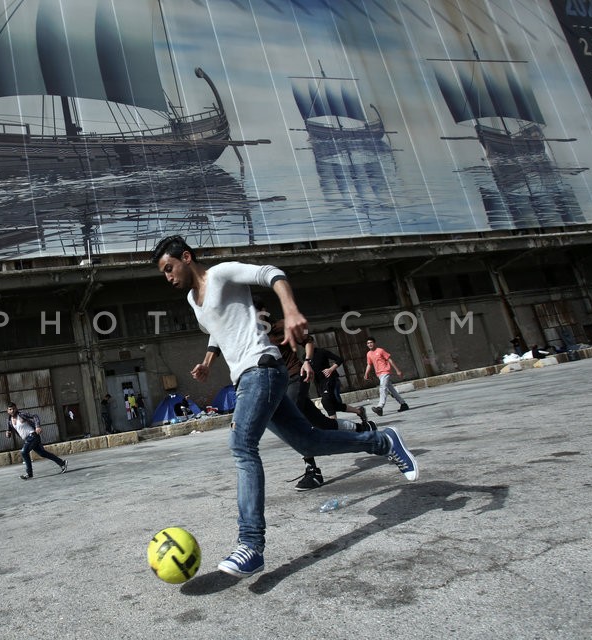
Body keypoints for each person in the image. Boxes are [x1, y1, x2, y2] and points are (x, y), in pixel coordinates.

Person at [152, 235, 418, 578]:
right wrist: (207, 361)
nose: (168, 277)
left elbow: (270, 273)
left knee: (242, 446)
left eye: (169, 268)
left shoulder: (221, 274)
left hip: (262, 369)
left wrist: (291, 311)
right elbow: (218, 330)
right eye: (164, 272)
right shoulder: (193, 298)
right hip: (245, 377)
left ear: (186, 258)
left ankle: (250, 545)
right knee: (309, 441)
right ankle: (384, 442)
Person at [264, 315, 373, 493]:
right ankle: (363, 429)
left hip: (296, 377)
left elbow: (308, 341)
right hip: (280, 385)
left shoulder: (280, 325)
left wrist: (307, 361)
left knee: (293, 424)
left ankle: (313, 471)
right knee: (322, 423)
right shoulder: (249, 334)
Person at [5, 402, 68, 479]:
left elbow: (35, 416)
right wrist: (8, 434)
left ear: (16, 408)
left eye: (14, 408)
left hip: (33, 435)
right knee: (42, 453)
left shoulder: (21, 415)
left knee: (24, 452)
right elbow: (9, 431)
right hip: (28, 439)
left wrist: (37, 426)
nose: (13, 410)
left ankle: (29, 474)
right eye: (10, 409)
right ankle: (62, 463)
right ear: (8, 411)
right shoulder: (9, 421)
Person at [363, 337, 410, 416]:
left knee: (382, 388)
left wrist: (397, 370)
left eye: (371, 342)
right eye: (368, 343)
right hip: (379, 374)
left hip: (385, 372)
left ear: (374, 343)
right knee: (391, 390)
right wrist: (366, 374)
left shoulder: (380, 350)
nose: (369, 344)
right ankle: (403, 404)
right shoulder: (369, 354)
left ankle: (380, 407)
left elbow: (390, 360)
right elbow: (369, 364)